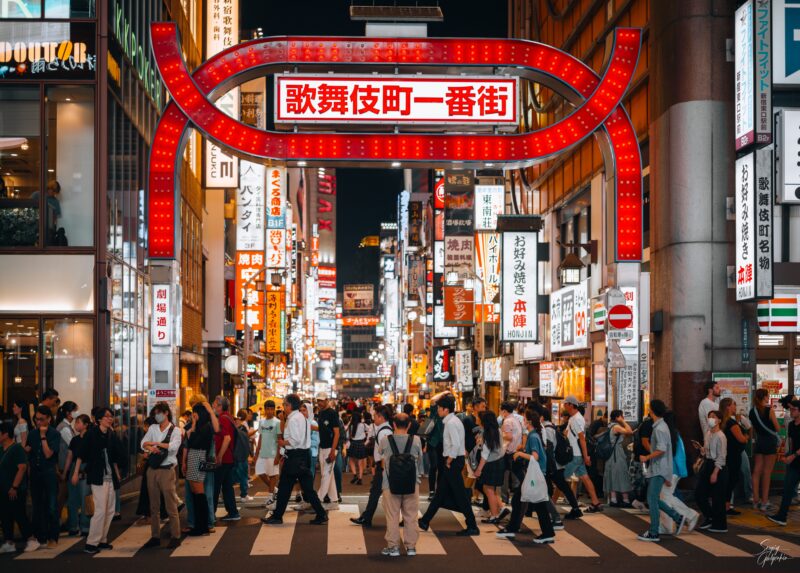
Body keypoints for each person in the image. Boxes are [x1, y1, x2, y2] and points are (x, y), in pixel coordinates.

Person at [261, 394, 327, 526]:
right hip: (301, 456)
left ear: (289, 405)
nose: (283, 407)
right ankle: (321, 514)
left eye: (285, 404)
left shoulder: (293, 419)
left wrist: (282, 442)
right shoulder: (301, 417)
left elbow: (295, 440)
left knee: (285, 487)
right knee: (306, 488)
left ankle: (278, 516)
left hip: (294, 457)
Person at [418, 394, 479, 536]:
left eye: (439, 408)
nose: (438, 410)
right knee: (440, 494)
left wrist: (449, 460)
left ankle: (472, 525)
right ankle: (425, 520)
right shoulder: (453, 421)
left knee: (460, 495)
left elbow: (455, 443)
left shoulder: (451, 423)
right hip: (454, 460)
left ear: (446, 409)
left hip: (453, 461)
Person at [498, 409, 555, 544]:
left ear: (528, 422)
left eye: (524, 420)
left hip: (535, 474)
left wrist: (520, 454)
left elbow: (535, 457)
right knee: (522, 501)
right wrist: (522, 450)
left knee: (536, 504)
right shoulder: (533, 435)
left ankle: (546, 533)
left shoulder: (533, 436)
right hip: (535, 474)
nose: (522, 422)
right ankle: (514, 528)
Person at [637, 400, 686, 542]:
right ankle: (677, 517)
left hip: (659, 468)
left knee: (651, 499)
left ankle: (653, 532)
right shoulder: (661, 426)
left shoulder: (659, 428)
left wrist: (646, 457)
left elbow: (661, 449)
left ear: (651, 410)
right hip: (660, 468)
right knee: (653, 498)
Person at [73, 406, 119, 554]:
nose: (110, 418)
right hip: (97, 477)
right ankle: (91, 543)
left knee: (110, 510)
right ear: (99, 419)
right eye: (107, 416)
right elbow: (81, 454)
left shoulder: (111, 434)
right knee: (100, 510)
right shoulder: (92, 434)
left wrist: (117, 473)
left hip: (110, 477)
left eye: (111, 416)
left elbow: (114, 457)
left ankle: (102, 540)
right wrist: (75, 473)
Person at [378, 412, 423, 557]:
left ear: (394, 425)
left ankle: (393, 547)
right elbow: (420, 461)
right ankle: (411, 547)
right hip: (412, 483)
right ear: (409, 425)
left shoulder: (386, 440)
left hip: (390, 483)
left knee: (392, 516)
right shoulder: (416, 440)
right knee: (411, 515)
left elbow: (381, 455)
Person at [140, 402, 182, 549]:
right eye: (155, 414)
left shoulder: (175, 430)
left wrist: (156, 444)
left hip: (167, 470)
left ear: (166, 413)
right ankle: (155, 536)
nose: (156, 416)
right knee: (154, 505)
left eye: (158, 413)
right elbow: (142, 443)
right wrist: (150, 446)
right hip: (152, 469)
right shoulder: (152, 428)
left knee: (170, 504)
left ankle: (176, 536)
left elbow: (174, 447)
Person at [0, 420, 39, 553]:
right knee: (5, 516)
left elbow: (22, 468)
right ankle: (9, 542)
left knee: (19, 514)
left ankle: (31, 539)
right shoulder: (1, 449)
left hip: (15, 489)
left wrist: (14, 487)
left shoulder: (16, 448)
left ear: (5, 434)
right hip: (3, 489)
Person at [658, 411, 700, 534]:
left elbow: (670, 456)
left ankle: (688, 516)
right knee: (665, 497)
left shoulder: (669, 435)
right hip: (674, 471)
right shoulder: (675, 434)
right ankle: (668, 525)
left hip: (670, 471)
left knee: (664, 498)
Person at [351, 405, 393, 527]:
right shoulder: (384, 429)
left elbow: (386, 451)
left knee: (386, 495)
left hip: (384, 467)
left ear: (380, 417)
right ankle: (366, 517)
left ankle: (367, 517)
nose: (373, 417)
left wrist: (382, 467)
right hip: (382, 466)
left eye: (375, 415)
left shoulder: (384, 431)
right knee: (376, 493)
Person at [183, 401, 219, 536]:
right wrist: (193, 426)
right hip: (194, 457)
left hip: (198, 457)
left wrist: (192, 428)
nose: (192, 416)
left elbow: (193, 442)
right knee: (196, 493)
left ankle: (202, 526)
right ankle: (200, 525)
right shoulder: (200, 427)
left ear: (198, 414)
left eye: (194, 413)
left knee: (199, 494)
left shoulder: (206, 427)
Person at [562, 396, 603, 512]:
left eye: (565, 403)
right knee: (585, 478)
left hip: (575, 455)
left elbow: (582, 439)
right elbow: (567, 434)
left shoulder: (577, 419)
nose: (564, 405)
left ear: (571, 405)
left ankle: (551, 507)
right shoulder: (573, 418)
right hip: (576, 454)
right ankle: (596, 503)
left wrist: (586, 456)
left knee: (560, 479)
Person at [27, 406, 60, 548]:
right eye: (36, 419)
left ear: (49, 419)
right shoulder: (32, 434)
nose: (38, 422)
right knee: (37, 506)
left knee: (51, 506)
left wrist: (43, 436)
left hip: (49, 472)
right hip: (35, 473)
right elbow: (28, 452)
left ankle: (53, 537)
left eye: (41, 419)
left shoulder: (54, 434)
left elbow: (48, 454)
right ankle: (40, 536)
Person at [767, 398, 800, 526]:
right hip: (794, 462)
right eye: (790, 409)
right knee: (787, 489)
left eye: (794, 409)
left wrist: (794, 455)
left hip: (796, 458)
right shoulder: (791, 425)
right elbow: (790, 442)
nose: (791, 411)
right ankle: (782, 516)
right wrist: (786, 454)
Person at [695, 410, 728, 533]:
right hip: (708, 464)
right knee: (699, 494)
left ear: (719, 420)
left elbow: (721, 456)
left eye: (713, 417)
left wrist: (715, 473)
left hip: (718, 467)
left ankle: (720, 525)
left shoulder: (721, 436)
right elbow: (708, 451)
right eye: (709, 417)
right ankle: (709, 516)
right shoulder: (708, 433)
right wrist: (702, 449)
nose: (711, 419)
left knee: (718, 497)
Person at [750, 388, 780, 512]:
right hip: (770, 442)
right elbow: (777, 428)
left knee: (756, 471)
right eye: (768, 396)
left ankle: (755, 499)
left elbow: (753, 429)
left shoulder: (752, 411)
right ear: (765, 397)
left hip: (759, 442)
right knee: (767, 473)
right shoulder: (769, 410)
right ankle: (764, 502)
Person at [474, 410, 506, 523]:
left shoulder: (487, 433)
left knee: (489, 490)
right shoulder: (497, 430)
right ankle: (499, 510)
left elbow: (485, 455)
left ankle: (494, 515)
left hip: (491, 464)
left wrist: (478, 470)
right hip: (499, 462)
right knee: (491, 489)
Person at [212, 396, 240, 521]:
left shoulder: (223, 418)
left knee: (215, 486)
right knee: (227, 486)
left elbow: (227, 438)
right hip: (229, 458)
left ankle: (210, 513)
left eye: (214, 404)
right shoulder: (228, 417)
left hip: (224, 458)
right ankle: (233, 512)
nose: (213, 406)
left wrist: (219, 456)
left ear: (219, 406)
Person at [62, 414, 91, 537]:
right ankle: (73, 526)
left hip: (85, 469)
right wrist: (65, 472)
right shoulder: (74, 439)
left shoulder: (90, 438)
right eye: (76, 422)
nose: (76, 425)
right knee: (72, 499)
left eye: (78, 423)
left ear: (86, 425)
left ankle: (85, 526)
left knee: (85, 499)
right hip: (75, 467)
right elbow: (70, 456)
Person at [719, 397, 748, 516]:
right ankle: (726, 507)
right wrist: (746, 437)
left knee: (728, 480)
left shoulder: (722, 421)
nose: (735, 407)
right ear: (728, 407)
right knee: (731, 480)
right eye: (733, 405)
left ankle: (724, 506)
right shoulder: (732, 423)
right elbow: (741, 439)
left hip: (727, 454)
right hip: (734, 455)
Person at [55, 401, 78, 532]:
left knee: (65, 496)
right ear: (69, 413)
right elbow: (72, 445)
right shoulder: (64, 427)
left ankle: (66, 521)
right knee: (62, 496)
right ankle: (57, 522)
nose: (77, 413)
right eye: (75, 410)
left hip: (66, 466)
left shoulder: (67, 426)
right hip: (65, 466)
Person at [604, 410, 634, 507]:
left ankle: (614, 499)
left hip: (610, 454)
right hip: (617, 454)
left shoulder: (610, 426)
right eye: (622, 416)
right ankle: (625, 500)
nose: (623, 417)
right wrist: (623, 422)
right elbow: (629, 431)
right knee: (622, 474)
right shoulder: (616, 427)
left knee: (613, 475)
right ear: (617, 417)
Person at [316, 393, 340, 507]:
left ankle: (318, 500)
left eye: (321, 400)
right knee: (328, 475)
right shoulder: (320, 413)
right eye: (318, 401)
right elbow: (322, 429)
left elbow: (337, 433)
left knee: (326, 474)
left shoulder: (332, 413)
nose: (319, 403)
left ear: (327, 400)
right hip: (322, 447)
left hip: (331, 448)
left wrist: (333, 450)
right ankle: (334, 499)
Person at [256, 400, 281, 509]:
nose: (270, 411)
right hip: (262, 453)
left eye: (272, 409)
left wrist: (278, 456)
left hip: (272, 452)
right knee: (260, 472)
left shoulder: (277, 422)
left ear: (274, 409)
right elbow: (260, 438)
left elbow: (280, 439)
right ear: (265, 409)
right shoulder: (261, 422)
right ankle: (275, 490)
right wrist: (256, 453)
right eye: (268, 409)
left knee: (272, 475)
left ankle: (271, 496)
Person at [233, 409, 255, 502]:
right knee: (243, 475)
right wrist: (249, 454)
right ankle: (244, 495)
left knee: (233, 475)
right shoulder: (242, 427)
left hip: (234, 454)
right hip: (241, 454)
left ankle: (223, 494)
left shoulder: (234, 428)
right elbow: (245, 441)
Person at [347, 410, 367, 484]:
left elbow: (347, 434)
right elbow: (369, 430)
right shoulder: (363, 425)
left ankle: (355, 474)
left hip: (353, 443)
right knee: (360, 462)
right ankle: (360, 478)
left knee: (351, 460)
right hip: (361, 443)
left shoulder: (351, 425)